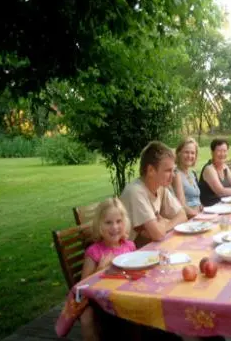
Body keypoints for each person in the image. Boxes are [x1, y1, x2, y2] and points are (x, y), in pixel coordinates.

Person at [80, 198, 136, 341]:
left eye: (118, 221)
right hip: (105, 305)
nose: (114, 227)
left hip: (129, 298)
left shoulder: (129, 246)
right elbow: (82, 287)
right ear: (99, 225)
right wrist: (100, 269)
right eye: (108, 222)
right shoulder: (94, 252)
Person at [121, 141, 187, 247]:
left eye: (173, 170)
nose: (173, 175)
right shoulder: (135, 191)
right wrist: (162, 226)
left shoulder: (160, 187)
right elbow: (158, 234)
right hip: (128, 256)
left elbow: (182, 215)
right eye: (168, 171)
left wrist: (164, 225)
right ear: (151, 170)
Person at [172, 138, 202, 219]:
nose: (190, 156)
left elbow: (197, 200)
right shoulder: (176, 174)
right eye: (186, 152)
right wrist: (200, 216)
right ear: (179, 153)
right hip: (188, 219)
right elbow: (182, 206)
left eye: (192, 153)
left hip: (198, 215)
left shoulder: (192, 173)